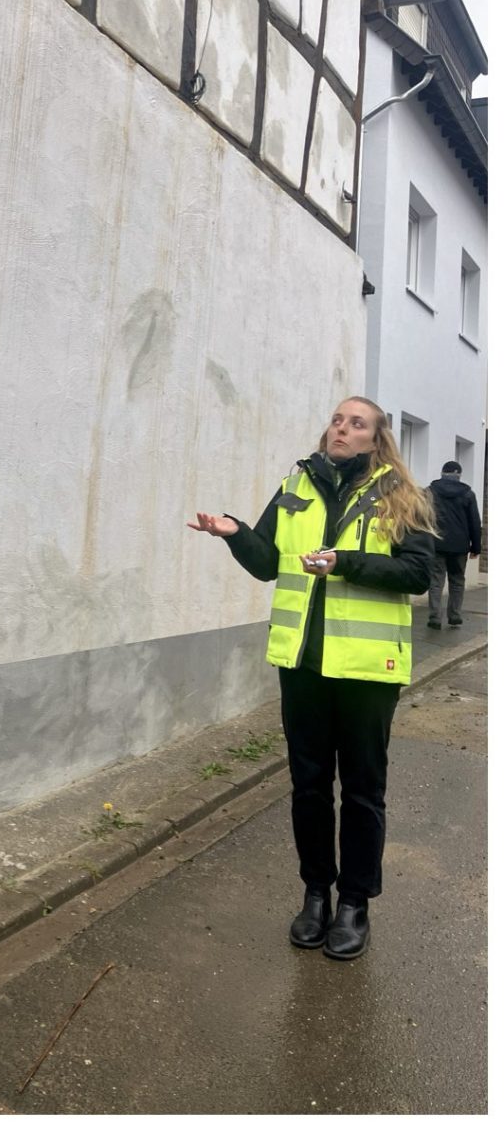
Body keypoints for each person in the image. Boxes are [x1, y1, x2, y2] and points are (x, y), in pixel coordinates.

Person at [189, 396, 434, 960]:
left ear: (376, 440)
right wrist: (233, 532)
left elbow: (417, 573)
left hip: (368, 671)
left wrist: (345, 562)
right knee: (309, 786)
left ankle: (355, 904)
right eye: (337, 420)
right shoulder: (298, 484)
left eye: (356, 424)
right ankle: (316, 895)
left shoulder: (399, 495)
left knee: (364, 791)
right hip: (302, 666)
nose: (341, 429)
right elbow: (268, 562)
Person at [424, 461, 483, 629]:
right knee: (457, 581)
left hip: (436, 544)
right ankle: (454, 615)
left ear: (442, 472)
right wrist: (476, 547)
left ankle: (435, 617)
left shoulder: (430, 492)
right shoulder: (468, 494)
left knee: (436, 581)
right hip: (459, 547)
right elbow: (474, 522)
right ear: (459, 474)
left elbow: (422, 517)